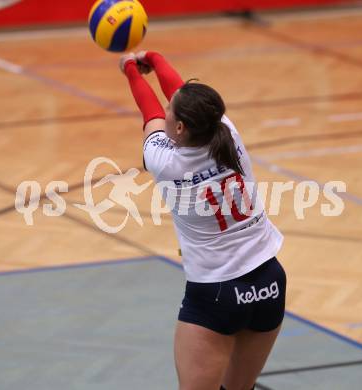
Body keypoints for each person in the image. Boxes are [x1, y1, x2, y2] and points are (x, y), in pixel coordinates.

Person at [119, 51, 286, 390]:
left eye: (171, 110)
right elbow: (180, 92)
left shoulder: (164, 162)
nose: (165, 110)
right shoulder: (227, 133)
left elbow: (148, 111)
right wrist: (154, 57)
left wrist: (131, 70)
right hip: (269, 283)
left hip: (216, 294)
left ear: (179, 127)